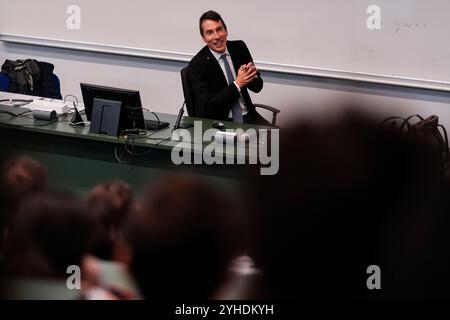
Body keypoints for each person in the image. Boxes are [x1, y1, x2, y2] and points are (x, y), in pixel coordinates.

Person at [188, 10, 267, 125]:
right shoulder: (197, 65)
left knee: (281, 139)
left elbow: (257, 87)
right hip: (219, 123)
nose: (217, 36)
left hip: (248, 116)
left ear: (226, 31)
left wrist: (251, 75)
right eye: (210, 32)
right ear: (203, 38)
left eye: (219, 29)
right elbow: (208, 104)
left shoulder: (239, 48)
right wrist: (238, 84)